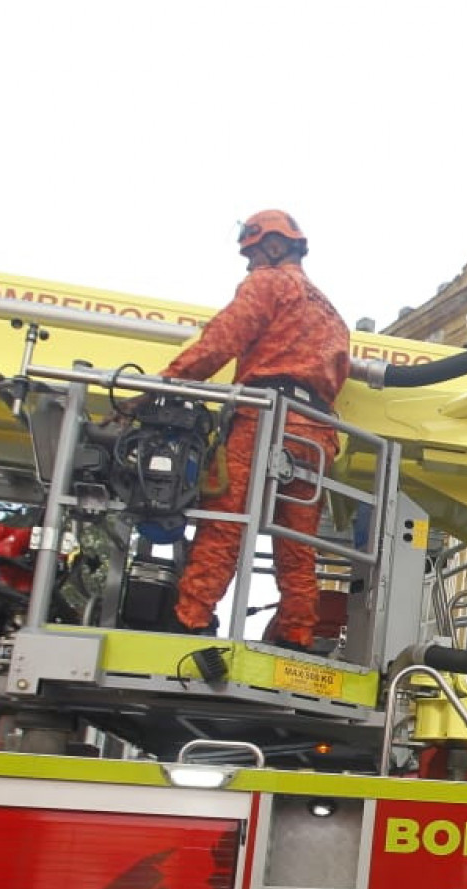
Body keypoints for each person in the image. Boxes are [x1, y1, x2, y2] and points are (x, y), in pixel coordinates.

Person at [158, 209, 351, 652]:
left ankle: (188, 622)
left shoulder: (269, 284)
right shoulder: (333, 315)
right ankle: (297, 635)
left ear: (277, 245)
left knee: (225, 522)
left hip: (266, 420)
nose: (249, 265)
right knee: (296, 542)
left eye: (252, 254)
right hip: (315, 434)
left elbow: (220, 341)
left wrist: (161, 385)